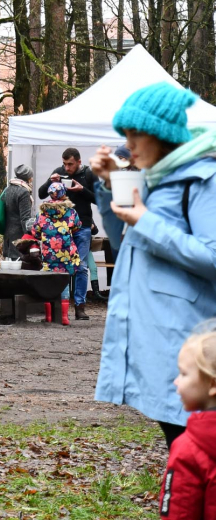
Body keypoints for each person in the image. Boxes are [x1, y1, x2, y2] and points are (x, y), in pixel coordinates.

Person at [90, 81, 216, 449]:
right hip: (158, 340)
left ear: (160, 136)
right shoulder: (157, 181)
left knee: (193, 445)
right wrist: (111, 183)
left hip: (186, 342)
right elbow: (122, 240)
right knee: (181, 445)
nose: (126, 144)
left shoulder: (202, 179)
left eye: (133, 134)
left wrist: (146, 220)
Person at [158, 326, 216, 518]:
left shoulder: (188, 449)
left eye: (183, 374)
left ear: (212, 385)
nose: (176, 381)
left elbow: (179, 511)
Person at [38, 147, 102, 303]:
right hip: (62, 229)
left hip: (83, 226)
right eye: (64, 164)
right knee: (61, 267)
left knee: (81, 267)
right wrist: (50, 181)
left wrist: (82, 190)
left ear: (79, 162)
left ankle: (80, 305)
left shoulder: (88, 174)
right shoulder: (59, 172)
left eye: (70, 164)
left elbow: (101, 200)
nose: (67, 168)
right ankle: (62, 304)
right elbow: (41, 194)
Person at [31, 181, 84, 324]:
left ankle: (49, 316)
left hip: (49, 252)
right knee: (64, 282)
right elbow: (77, 227)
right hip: (66, 253)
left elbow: (35, 232)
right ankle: (64, 317)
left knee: (49, 281)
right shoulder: (71, 212)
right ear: (63, 194)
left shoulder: (42, 213)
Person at [0, 165, 37, 261]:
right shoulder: (24, 192)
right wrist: (29, 237)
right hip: (19, 235)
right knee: (20, 266)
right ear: (28, 177)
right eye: (31, 176)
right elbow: (25, 218)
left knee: (13, 266)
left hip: (8, 233)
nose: (32, 179)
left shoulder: (8, 189)